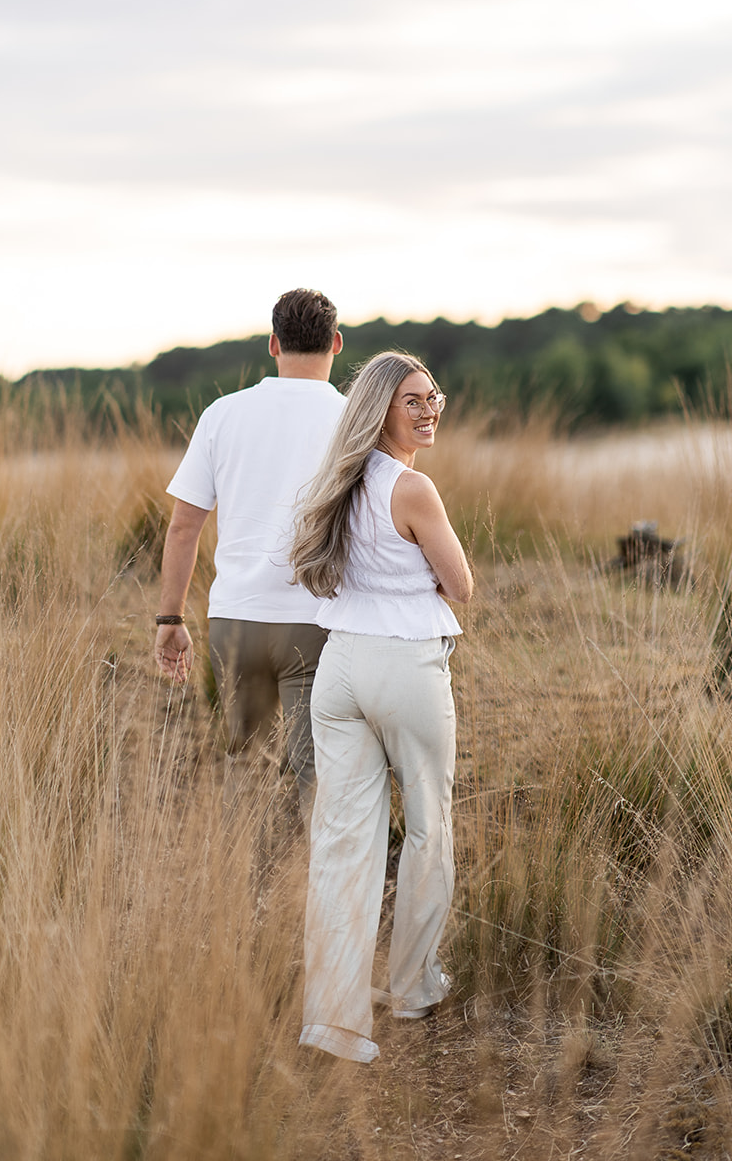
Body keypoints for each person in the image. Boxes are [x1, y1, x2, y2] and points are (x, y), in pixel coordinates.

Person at [289, 351, 474, 1064]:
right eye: (412, 403)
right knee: (428, 826)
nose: (428, 412)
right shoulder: (412, 488)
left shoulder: (338, 479)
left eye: (434, 397)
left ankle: (330, 1020)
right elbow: (460, 585)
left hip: (339, 670)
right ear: (379, 409)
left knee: (342, 841)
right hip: (403, 665)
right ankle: (412, 987)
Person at [154, 289, 345, 822]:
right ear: (335, 343)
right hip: (319, 621)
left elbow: (183, 527)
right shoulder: (356, 419)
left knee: (244, 771)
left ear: (272, 344)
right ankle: (316, 897)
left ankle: (245, 898)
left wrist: (171, 617)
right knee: (317, 779)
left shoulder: (222, 414)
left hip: (235, 621)